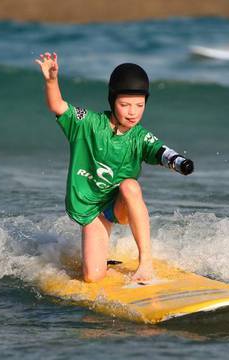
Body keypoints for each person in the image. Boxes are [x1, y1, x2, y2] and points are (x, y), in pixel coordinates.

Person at [35, 52, 193, 283]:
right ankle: (104, 261)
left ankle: (145, 263)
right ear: (112, 101)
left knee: (130, 185)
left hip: (118, 204)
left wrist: (180, 163)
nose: (133, 112)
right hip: (92, 210)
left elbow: (162, 151)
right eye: (125, 104)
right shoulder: (88, 124)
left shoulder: (140, 136)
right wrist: (51, 81)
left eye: (139, 105)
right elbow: (58, 106)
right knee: (92, 277)